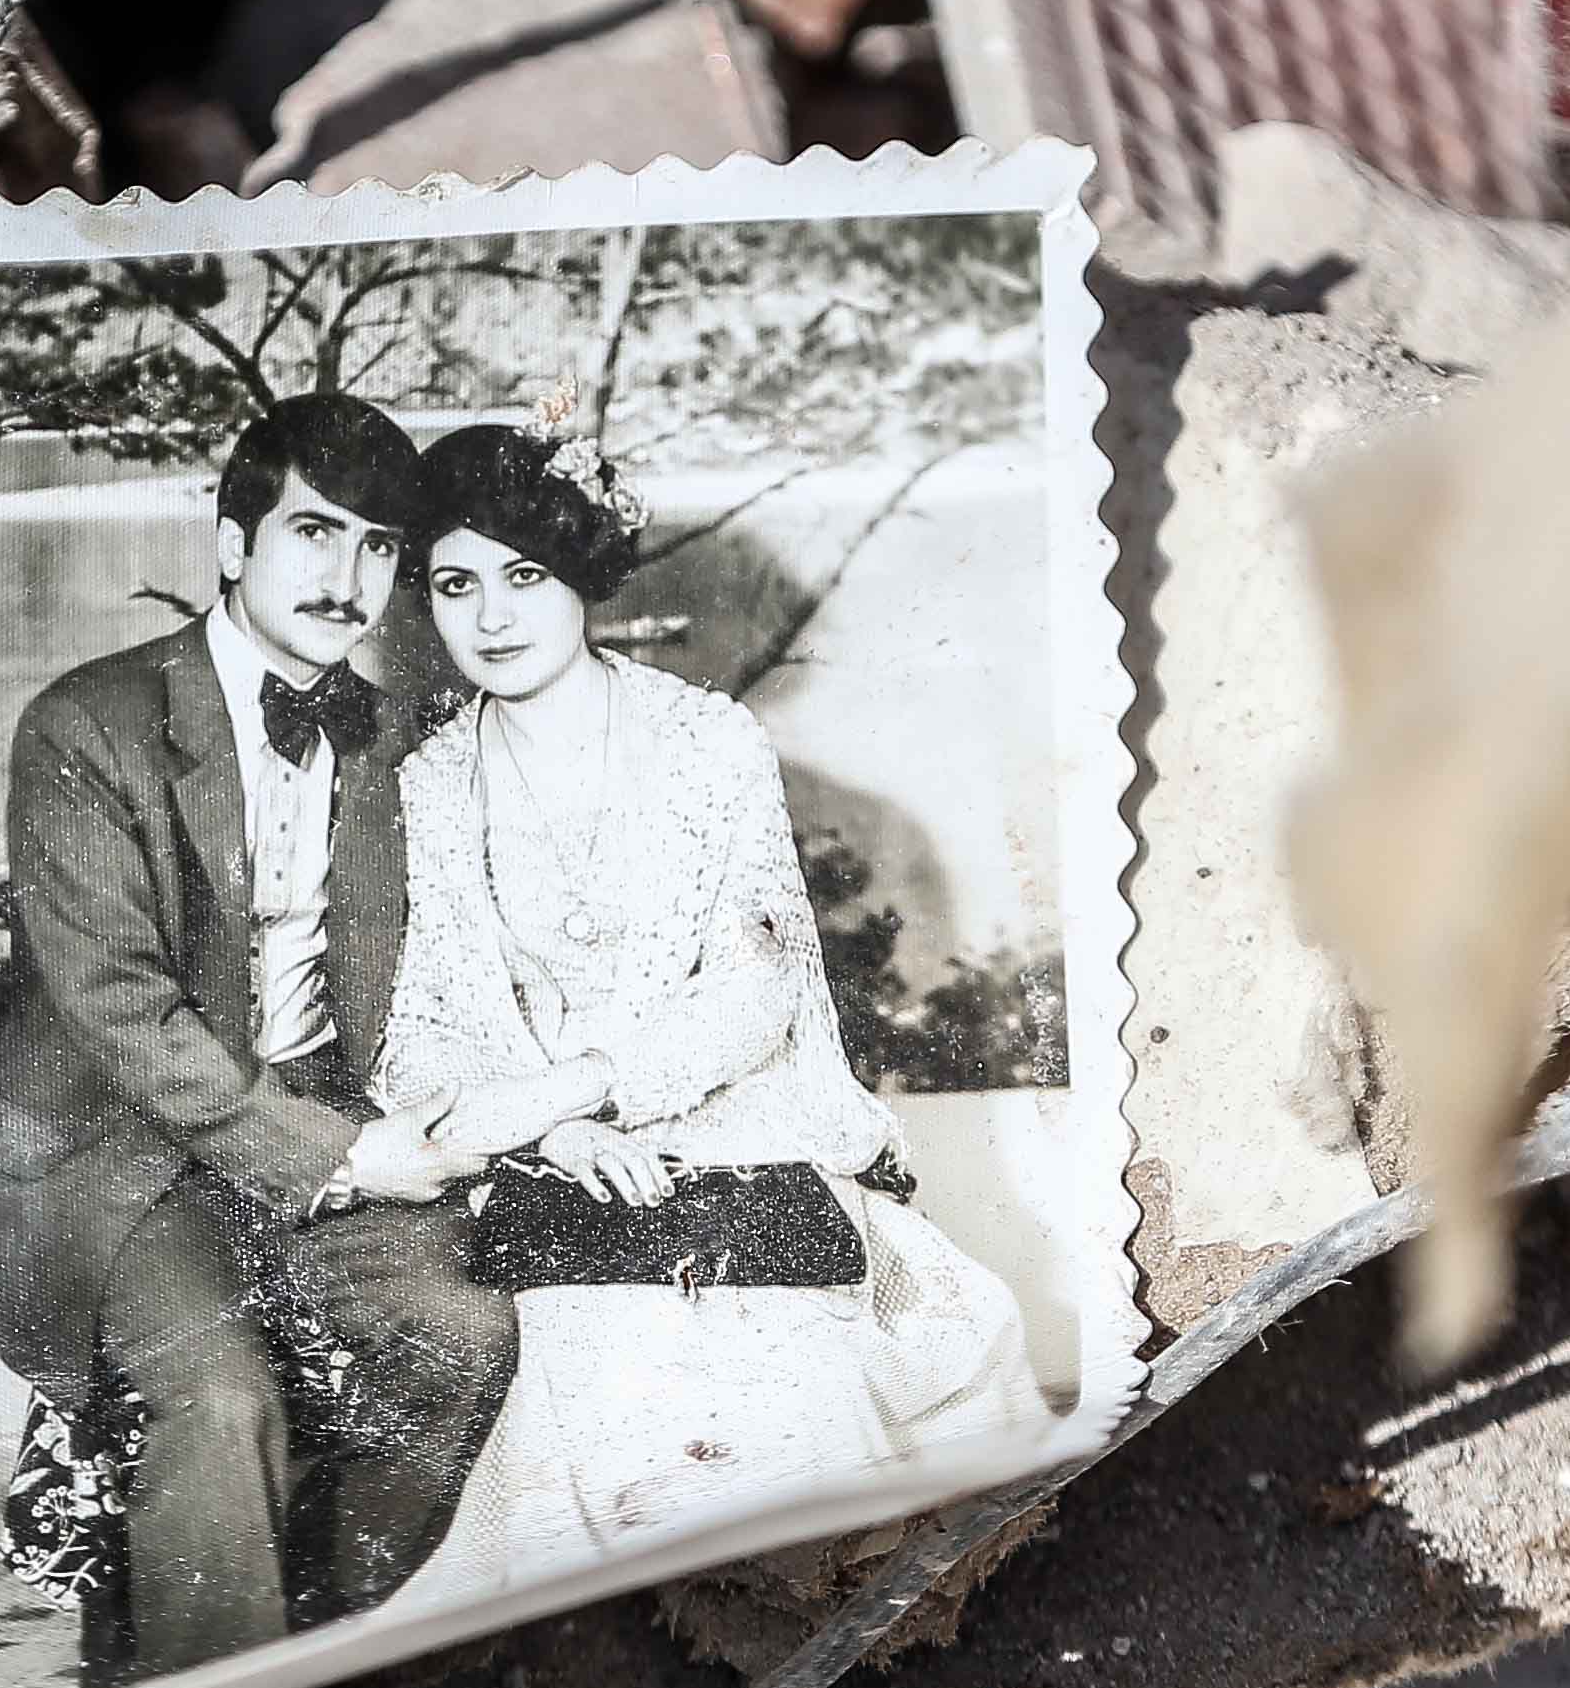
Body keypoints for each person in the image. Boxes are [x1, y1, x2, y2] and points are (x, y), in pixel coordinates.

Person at [372, 416, 1133, 1602]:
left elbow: (755, 984)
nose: (492, 617)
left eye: (524, 575)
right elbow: (424, 1021)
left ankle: (821, 1615)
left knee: (795, 1374)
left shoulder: (705, 744)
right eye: (456, 584)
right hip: (551, 1166)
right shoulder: (432, 781)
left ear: (580, 573)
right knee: (609, 1377)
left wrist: (590, 1092)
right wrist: (554, 1133)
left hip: (734, 1125)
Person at [0, 390, 520, 1688]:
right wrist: (346, 1158)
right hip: (120, 1154)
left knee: (467, 1342)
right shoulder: (86, 724)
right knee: (222, 1399)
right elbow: (120, 1009)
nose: (347, 578)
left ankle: (300, 1646)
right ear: (232, 544)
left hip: (328, 1121)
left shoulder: (397, 741)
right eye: (313, 533)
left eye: (377, 547)